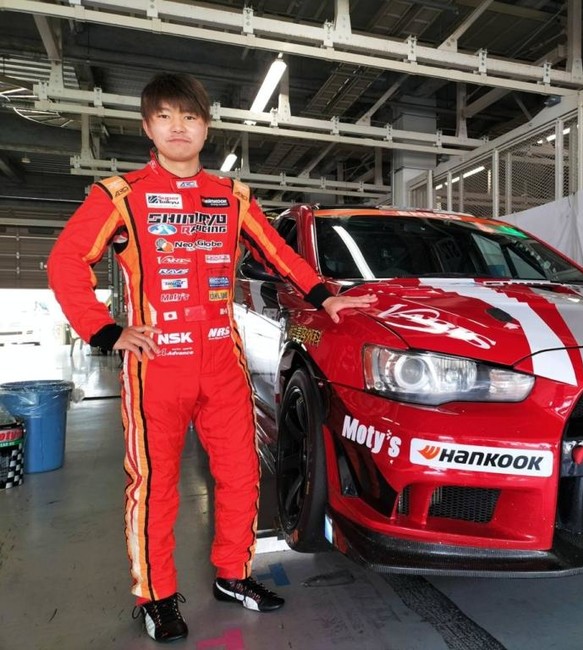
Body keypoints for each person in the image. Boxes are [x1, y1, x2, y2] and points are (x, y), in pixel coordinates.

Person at [47, 72, 377, 643]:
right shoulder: (121, 195)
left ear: (205, 127)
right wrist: (105, 331)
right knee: (154, 486)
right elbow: (66, 260)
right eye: (166, 117)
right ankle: (156, 597)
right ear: (148, 127)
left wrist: (324, 296)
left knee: (242, 475)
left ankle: (233, 575)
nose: (178, 128)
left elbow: (278, 253)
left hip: (223, 364)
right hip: (157, 366)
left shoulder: (232, 197)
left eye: (190, 117)